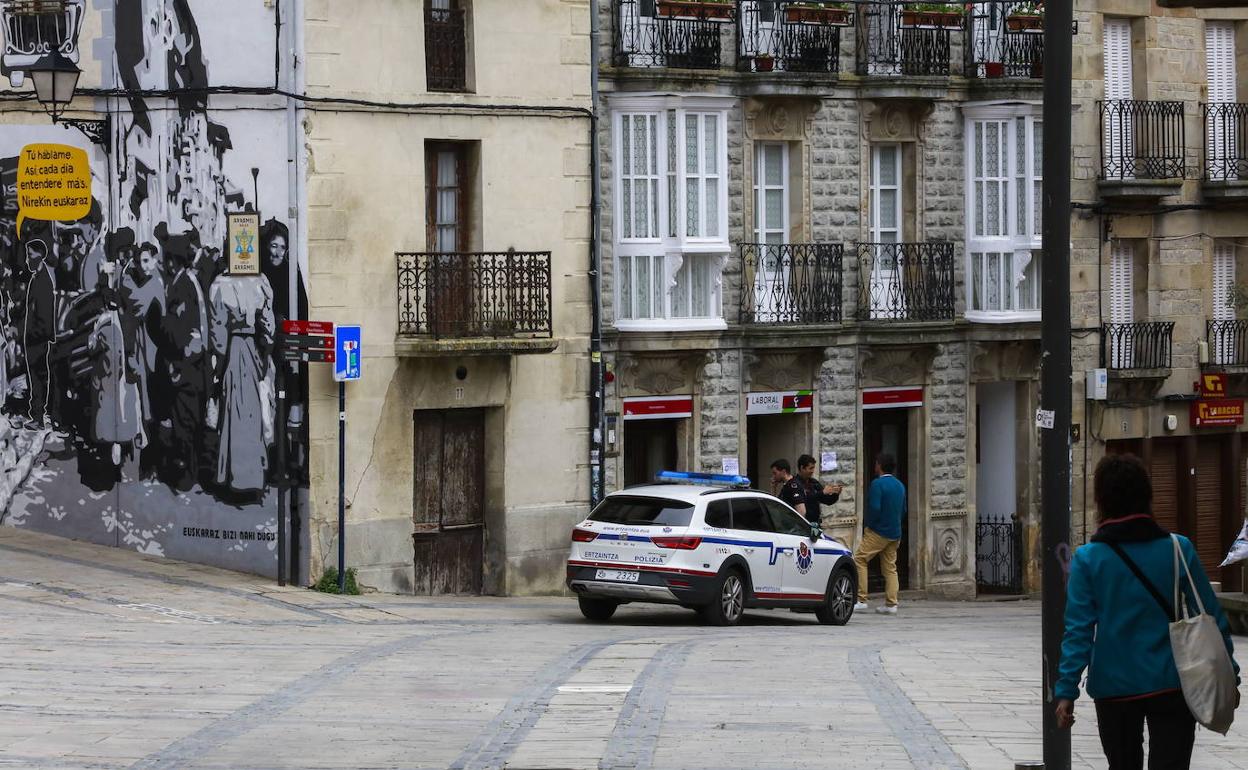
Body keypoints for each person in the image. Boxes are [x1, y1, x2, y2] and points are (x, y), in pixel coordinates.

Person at [1055, 454, 1240, 768]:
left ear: (1102, 500)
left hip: (1114, 688)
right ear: (1146, 496)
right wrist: (1230, 673)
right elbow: (1212, 617)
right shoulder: (1178, 549)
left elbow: (1079, 632)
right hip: (1172, 681)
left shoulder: (1088, 559)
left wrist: (1066, 690)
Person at [208, 272, 274, 498]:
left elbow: (218, 329)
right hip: (254, 349)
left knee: (234, 411)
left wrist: (218, 361)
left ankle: (235, 476)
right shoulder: (260, 281)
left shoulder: (222, 283)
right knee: (254, 413)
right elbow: (268, 323)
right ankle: (254, 475)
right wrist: (265, 349)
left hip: (233, 350)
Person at [853, 453, 906, 615]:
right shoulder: (899, 485)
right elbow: (903, 510)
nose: (875, 466)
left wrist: (869, 525)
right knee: (890, 567)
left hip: (878, 531)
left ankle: (861, 599)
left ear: (880, 465)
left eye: (876, 463)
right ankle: (891, 604)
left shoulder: (877, 484)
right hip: (895, 532)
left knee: (860, 559)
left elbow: (875, 508)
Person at [22, 239, 56, 429]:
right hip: (35, 339)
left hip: (38, 340)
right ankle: (38, 415)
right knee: (37, 378)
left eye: (30, 255)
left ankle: (38, 417)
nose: (27, 259)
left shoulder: (43, 281)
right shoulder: (38, 278)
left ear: (39, 256)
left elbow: (44, 314)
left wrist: (36, 336)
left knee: (38, 378)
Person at [797, 453, 842, 525]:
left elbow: (827, 501)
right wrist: (822, 493)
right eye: (810, 468)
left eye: (813, 468)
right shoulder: (795, 484)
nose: (812, 471)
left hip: (815, 524)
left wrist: (835, 494)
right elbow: (804, 499)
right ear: (802, 468)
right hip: (801, 524)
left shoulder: (814, 483)